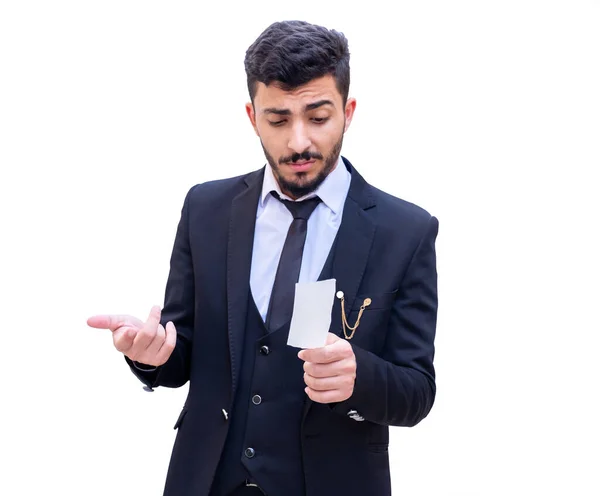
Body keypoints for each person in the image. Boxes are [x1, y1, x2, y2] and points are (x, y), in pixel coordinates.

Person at [88, 20, 439, 496]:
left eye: (318, 117)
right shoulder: (205, 209)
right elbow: (183, 350)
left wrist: (361, 376)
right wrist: (151, 357)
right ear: (252, 117)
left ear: (348, 111)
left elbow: (416, 393)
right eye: (278, 120)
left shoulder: (406, 231)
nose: (298, 142)